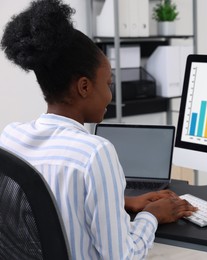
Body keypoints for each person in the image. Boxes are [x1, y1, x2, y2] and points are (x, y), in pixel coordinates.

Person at [0, 0, 196, 259]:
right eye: (108, 83)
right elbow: (121, 256)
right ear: (84, 87)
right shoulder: (94, 153)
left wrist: (122, 202)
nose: (110, 95)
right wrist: (152, 216)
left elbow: (43, 203)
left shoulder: (11, 136)